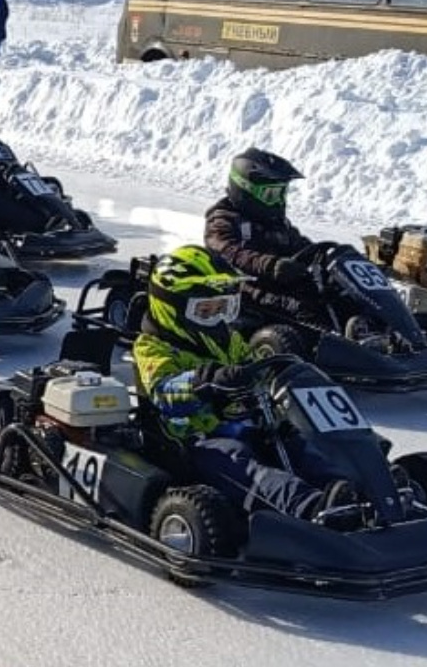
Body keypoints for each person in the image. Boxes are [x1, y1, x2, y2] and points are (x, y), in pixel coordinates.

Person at [134, 245, 358, 524]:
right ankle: (310, 507)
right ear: (170, 309)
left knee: (299, 444)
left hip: (247, 423)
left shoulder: (226, 338)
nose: (216, 318)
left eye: (223, 308)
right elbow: (163, 392)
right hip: (195, 439)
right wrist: (204, 381)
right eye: (206, 311)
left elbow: (252, 367)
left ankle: (350, 491)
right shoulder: (152, 347)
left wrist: (272, 373)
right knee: (240, 462)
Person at [203, 148, 334, 326]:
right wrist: (271, 265)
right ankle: (309, 351)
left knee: (334, 296)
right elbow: (229, 252)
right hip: (245, 290)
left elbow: (304, 248)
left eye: (282, 194)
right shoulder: (223, 220)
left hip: (278, 285)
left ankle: (370, 339)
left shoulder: (276, 223)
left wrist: (331, 260)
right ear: (245, 189)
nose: (279, 202)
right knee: (304, 310)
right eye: (271, 195)